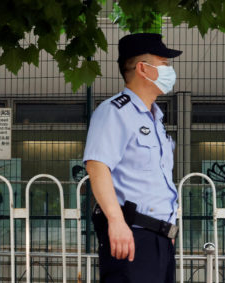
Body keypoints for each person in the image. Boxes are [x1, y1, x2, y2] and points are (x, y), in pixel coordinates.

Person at [83, 33, 182, 283]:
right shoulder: (115, 112)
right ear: (142, 69)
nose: (169, 71)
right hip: (131, 236)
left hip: (159, 239)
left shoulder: (155, 119)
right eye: (164, 64)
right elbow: (97, 166)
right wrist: (116, 221)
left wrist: (166, 229)